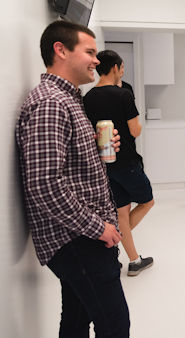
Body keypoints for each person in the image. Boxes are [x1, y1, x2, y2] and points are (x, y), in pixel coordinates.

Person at [16, 20, 129, 336]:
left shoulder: (68, 98)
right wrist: (99, 228)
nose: (97, 60)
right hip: (78, 240)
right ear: (61, 50)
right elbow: (45, 185)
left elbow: (62, 166)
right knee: (115, 325)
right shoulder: (51, 103)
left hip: (81, 236)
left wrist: (93, 144)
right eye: (90, 52)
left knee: (77, 321)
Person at [84, 50, 155, 277]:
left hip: (104, 165)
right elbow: (135, 131)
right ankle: (111, 244)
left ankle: (134, 260)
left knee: (120, 213)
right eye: (121, 67)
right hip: (127, 162)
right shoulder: (123, 95)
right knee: (147, 201)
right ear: (115, 68)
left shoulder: (87, 98)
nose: (122, 70)